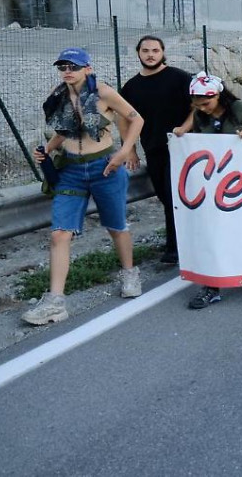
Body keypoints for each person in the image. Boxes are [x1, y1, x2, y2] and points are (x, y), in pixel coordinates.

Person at [23, 48, 145, 325]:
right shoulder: (60, 96)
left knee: (116, 226)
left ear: (87, 68)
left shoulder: (103, 92)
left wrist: (125, 151)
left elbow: (136, 118)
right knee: (59, 234)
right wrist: (47, 150)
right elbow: (64, 130)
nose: (68, 71)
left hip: (105, 167)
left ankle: (129, 273)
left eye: (73, 66)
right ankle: (55, 301)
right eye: (63, 66)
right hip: (71, 171)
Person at [172, 72, 242, 310]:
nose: (203, 108)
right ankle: (211, 286)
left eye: (206, 103)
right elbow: (189, 127)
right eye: (197, 104)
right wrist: (181, 132)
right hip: (211, 182)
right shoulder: (200, 113)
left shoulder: (239, 108)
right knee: (212, 232)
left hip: (241, 181)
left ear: (218, 96)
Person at [120, 35, 191, 264]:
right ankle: (182, 238)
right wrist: (129, 149)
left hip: (181, 147)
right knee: (164, 196)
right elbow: (122, 119)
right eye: (145, 51)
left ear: (163, 52)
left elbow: (198, 107)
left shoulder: (180, 78)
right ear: (138, 53)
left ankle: (174, 248)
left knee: (173, 195)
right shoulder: (131, 87)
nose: (150, 54)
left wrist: (184, 128)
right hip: (152, 148)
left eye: (155, 50)